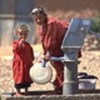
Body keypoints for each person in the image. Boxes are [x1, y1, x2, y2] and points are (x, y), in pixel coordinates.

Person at [31, 7, 81, 94]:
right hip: (58, 49)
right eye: (36, 19)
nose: (38, 20)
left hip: (66, 46)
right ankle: (60, 87)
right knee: (58, 68)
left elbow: (51, 40)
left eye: (40, 18)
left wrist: (49, 53)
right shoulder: (42, 27)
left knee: (63, 68)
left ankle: (62, 89)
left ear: (44, 16)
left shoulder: (51, 23)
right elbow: (44, 42)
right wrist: (45, 54)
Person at [12, 24, 34, 96]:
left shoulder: (28, 45)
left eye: (25, 34)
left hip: (27, 64)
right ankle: (18, 91)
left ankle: (26, 90)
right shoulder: (15, 43)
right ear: (17, 34)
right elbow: (15, 50)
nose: (23, 36)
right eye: (21, 34)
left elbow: (31, 54)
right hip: (19, 64)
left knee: (26, 77)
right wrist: (19, 44)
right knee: (19, 77)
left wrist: (32, 60)